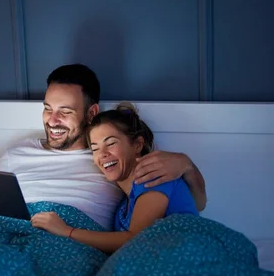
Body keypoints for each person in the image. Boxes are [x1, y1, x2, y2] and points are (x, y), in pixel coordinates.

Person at [0, 65, 206, 239]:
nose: (52, 121)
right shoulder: (15, 154)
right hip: (3, 245)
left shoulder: (111, 161)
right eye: (47, 108)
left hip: (68, 247)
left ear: (91, 113)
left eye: (65, 112)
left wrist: (187, 166)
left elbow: (190, 206)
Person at [31, 103, 199, 252]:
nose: (102, 155)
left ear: (137, 145)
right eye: (95, 149)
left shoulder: (153, 176)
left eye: (110, 144)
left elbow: (134, 239)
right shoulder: (122, 207)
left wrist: (66, 231)